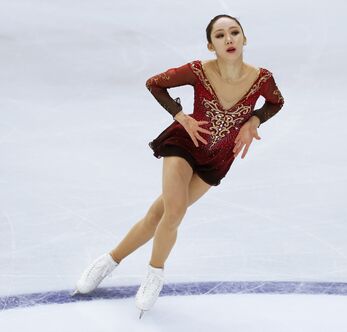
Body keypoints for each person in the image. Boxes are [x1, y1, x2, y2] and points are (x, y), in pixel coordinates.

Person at [71, 14, 285, 319]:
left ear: (244, 39)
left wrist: (254, 120)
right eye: (220, 35)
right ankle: (154, 274)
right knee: (174, 212)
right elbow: (154, 84)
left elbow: (276, 102)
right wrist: (180, 116)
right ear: (211, 45)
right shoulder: (198, 71)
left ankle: (109, 259)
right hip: (184, 145)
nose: (229, 39)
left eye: (235, 32)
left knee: (157, 216)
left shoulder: (261, 78)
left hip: (218, 160)